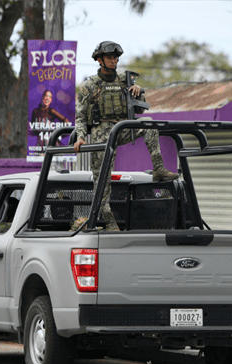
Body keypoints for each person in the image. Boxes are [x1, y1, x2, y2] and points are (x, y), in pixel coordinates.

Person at [73, 41, 178, 231]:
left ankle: (159, 168)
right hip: (101, 134)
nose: (114, 61)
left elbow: (140, 109)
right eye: (109, 58)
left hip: (123, 128)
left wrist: (138, 94)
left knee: (149, 122)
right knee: (102, 182)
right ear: (99, 60)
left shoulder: (126, 80)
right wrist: (80, 137)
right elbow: (80, 116)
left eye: (115, 58)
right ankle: (110, 222)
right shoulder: (90, 85)